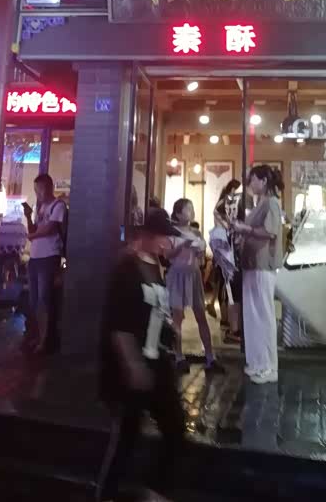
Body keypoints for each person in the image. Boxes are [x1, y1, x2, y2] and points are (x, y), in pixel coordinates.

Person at [97, 208, 186, 502]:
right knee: (126, 437)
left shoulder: (156, 266)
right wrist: (132, 364)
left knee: (174, 428)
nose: (167, 243)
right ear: (147, 235)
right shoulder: (126, 268)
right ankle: (107, 494)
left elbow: (156, 309)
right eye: (163, 237)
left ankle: (154, 491)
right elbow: (118, 323)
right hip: (130, 368)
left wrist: (169, 330)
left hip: (156, 365)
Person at [234, 164, 284, 385]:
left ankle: (269, 367)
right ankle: (256, 362)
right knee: (253, 316)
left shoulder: (271, 202)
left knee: (263, 316)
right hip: (252, 264)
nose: (250, 183)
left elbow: (270, 232)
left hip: (263, 264)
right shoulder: (261, 203)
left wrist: (246, 230)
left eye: (253, 179)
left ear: (263, 181)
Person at [166, 199, 224, 375]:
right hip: (177, 275)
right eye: (187, 209)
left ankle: (210, 357)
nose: (191, 212)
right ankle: (179, 356)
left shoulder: (196, 232)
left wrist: (200, 250)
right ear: (178, 214)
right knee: (177, 318)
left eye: (192, 208)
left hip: (194, 275)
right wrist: (182, 245)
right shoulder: (172, 232)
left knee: (201, 316)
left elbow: (200, 256)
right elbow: (168, 255)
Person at [22, 173, 67, 354]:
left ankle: (44, 340)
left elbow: (50, 229)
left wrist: (32, 235)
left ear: (49, 187)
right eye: (36, 190)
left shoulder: (58, 206)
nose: (38, 193)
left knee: (44, 299)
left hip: (49, 256)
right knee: (34, 300)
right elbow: (35, 229)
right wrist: (28, 217)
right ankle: (36, 336)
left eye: (40, 189)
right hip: (35, 257)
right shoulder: (40, 208)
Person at [212, 179, 242, 343]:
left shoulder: (223, 204)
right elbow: (225, 227)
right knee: (228, 288)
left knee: (227, 287)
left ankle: (229, 324)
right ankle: (230, 325)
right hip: (228, 251)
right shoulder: (225, 205)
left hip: (227, 251)